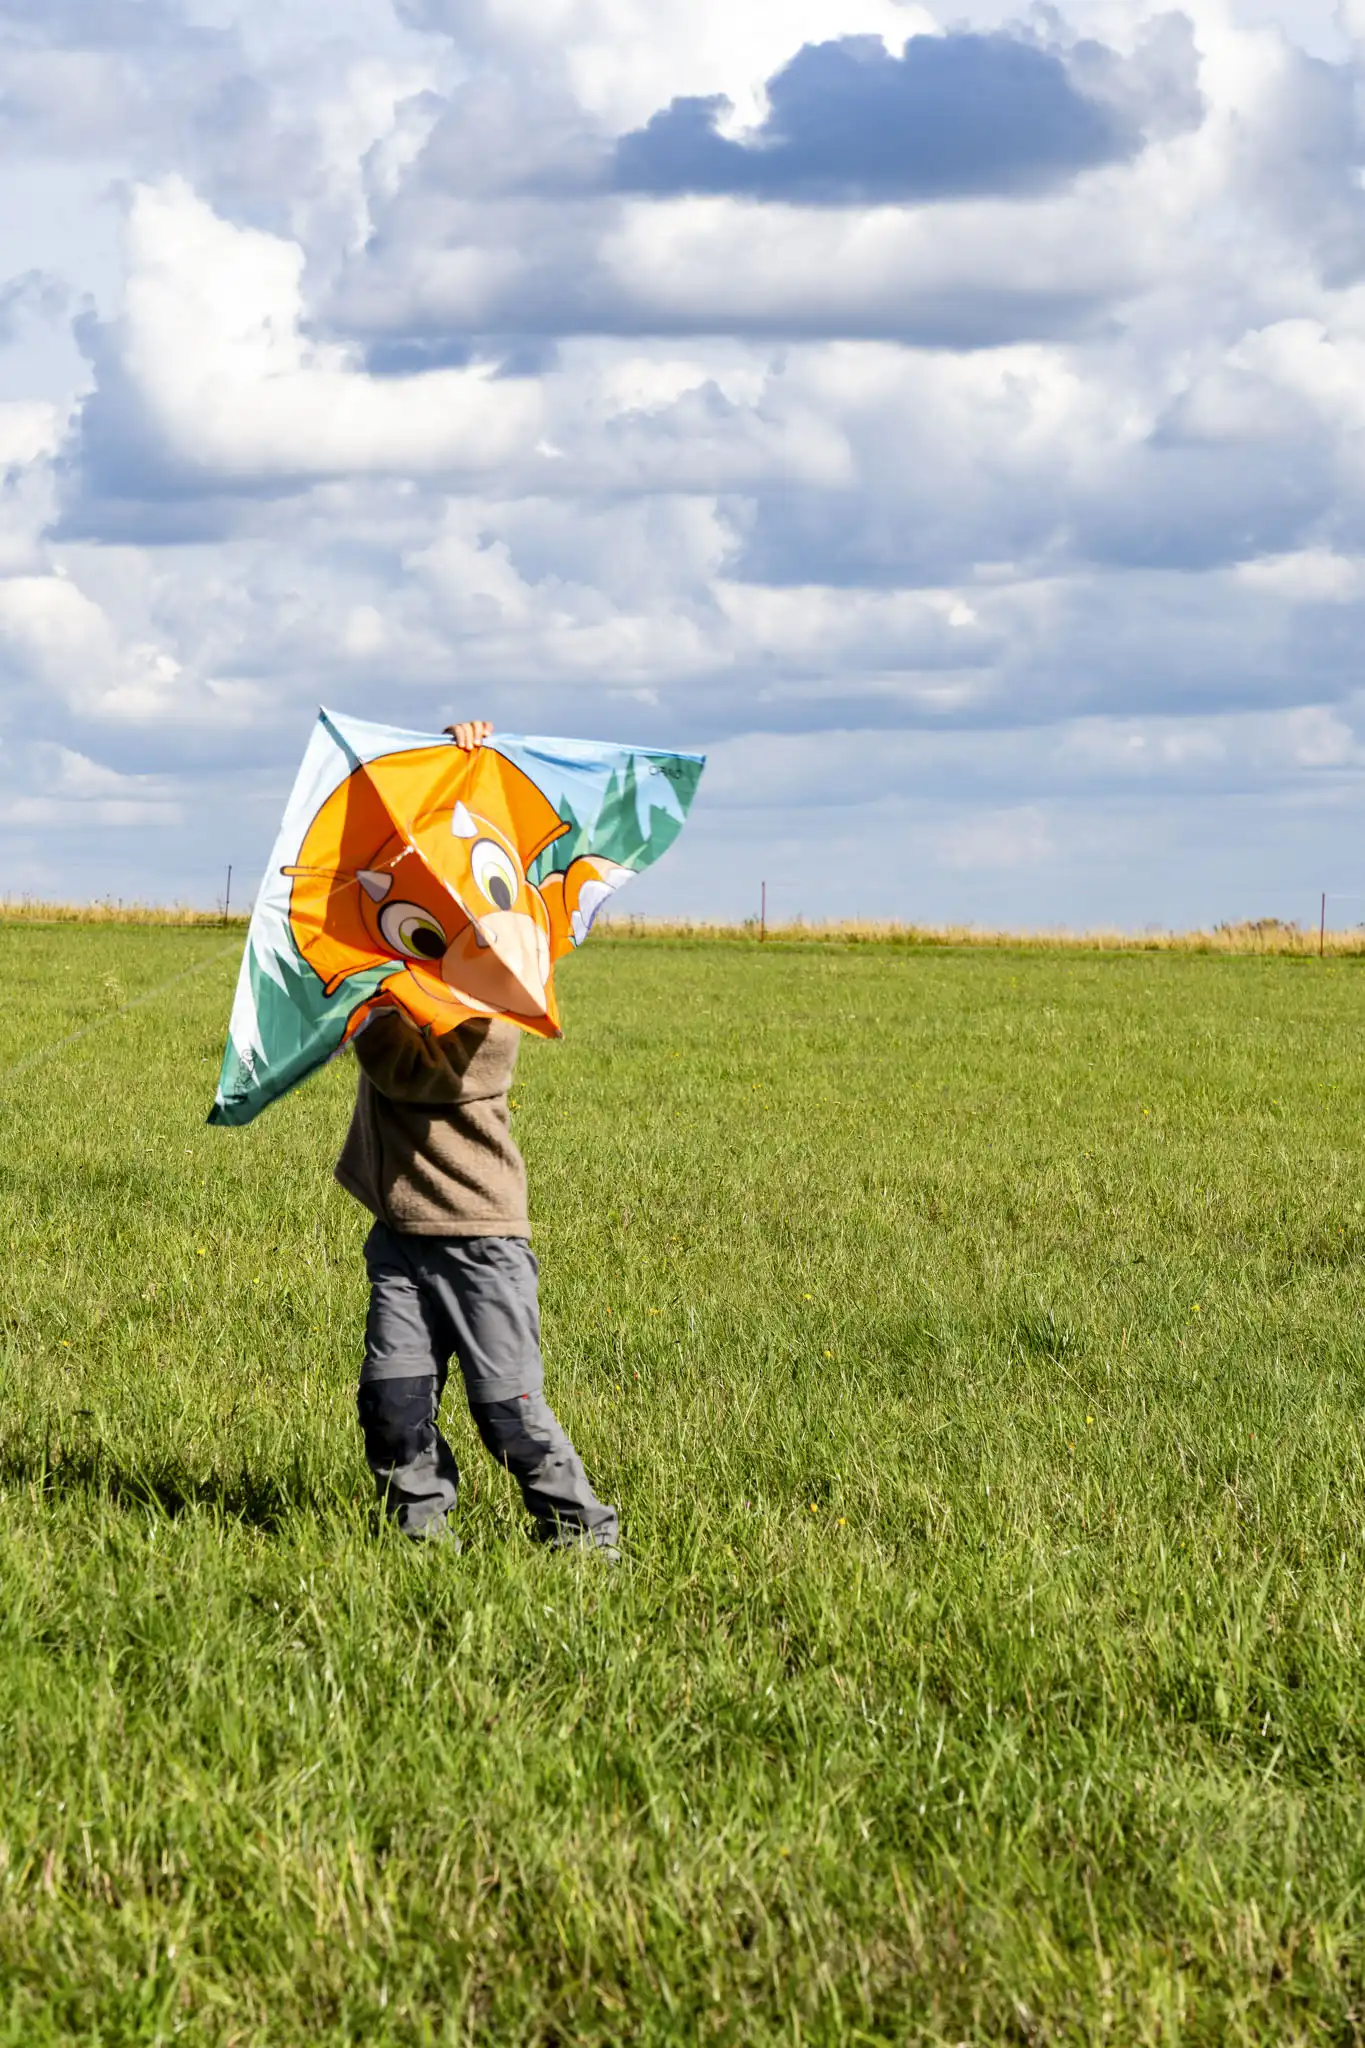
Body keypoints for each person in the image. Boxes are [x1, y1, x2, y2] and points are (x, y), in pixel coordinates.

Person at [333, 717, 620, 1555]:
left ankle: (582, 1536)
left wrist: (362, 1015)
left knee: (509, 1413)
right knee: (393, 1401)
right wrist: (452, 767)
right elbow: (415, 858)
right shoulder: (408, 976)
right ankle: (420, 1539)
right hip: (399, 1234)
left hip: (480, 1238)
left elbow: (413, 1076)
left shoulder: (501, 999)